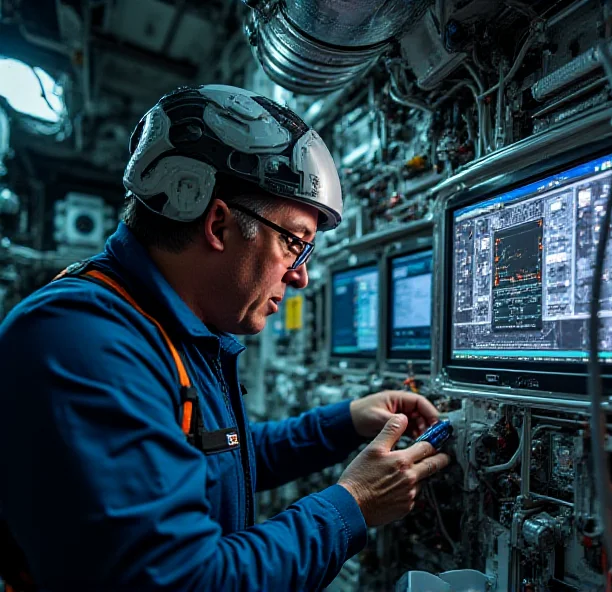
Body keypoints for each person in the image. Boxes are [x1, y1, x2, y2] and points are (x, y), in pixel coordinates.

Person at [0, 85, 449, 592]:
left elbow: (214, 458)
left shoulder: (160, 330)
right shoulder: (79, 341)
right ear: (218, 223)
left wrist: (343, 423)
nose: (300, 276)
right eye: (295, 243)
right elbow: (184, 581)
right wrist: (351, 506)